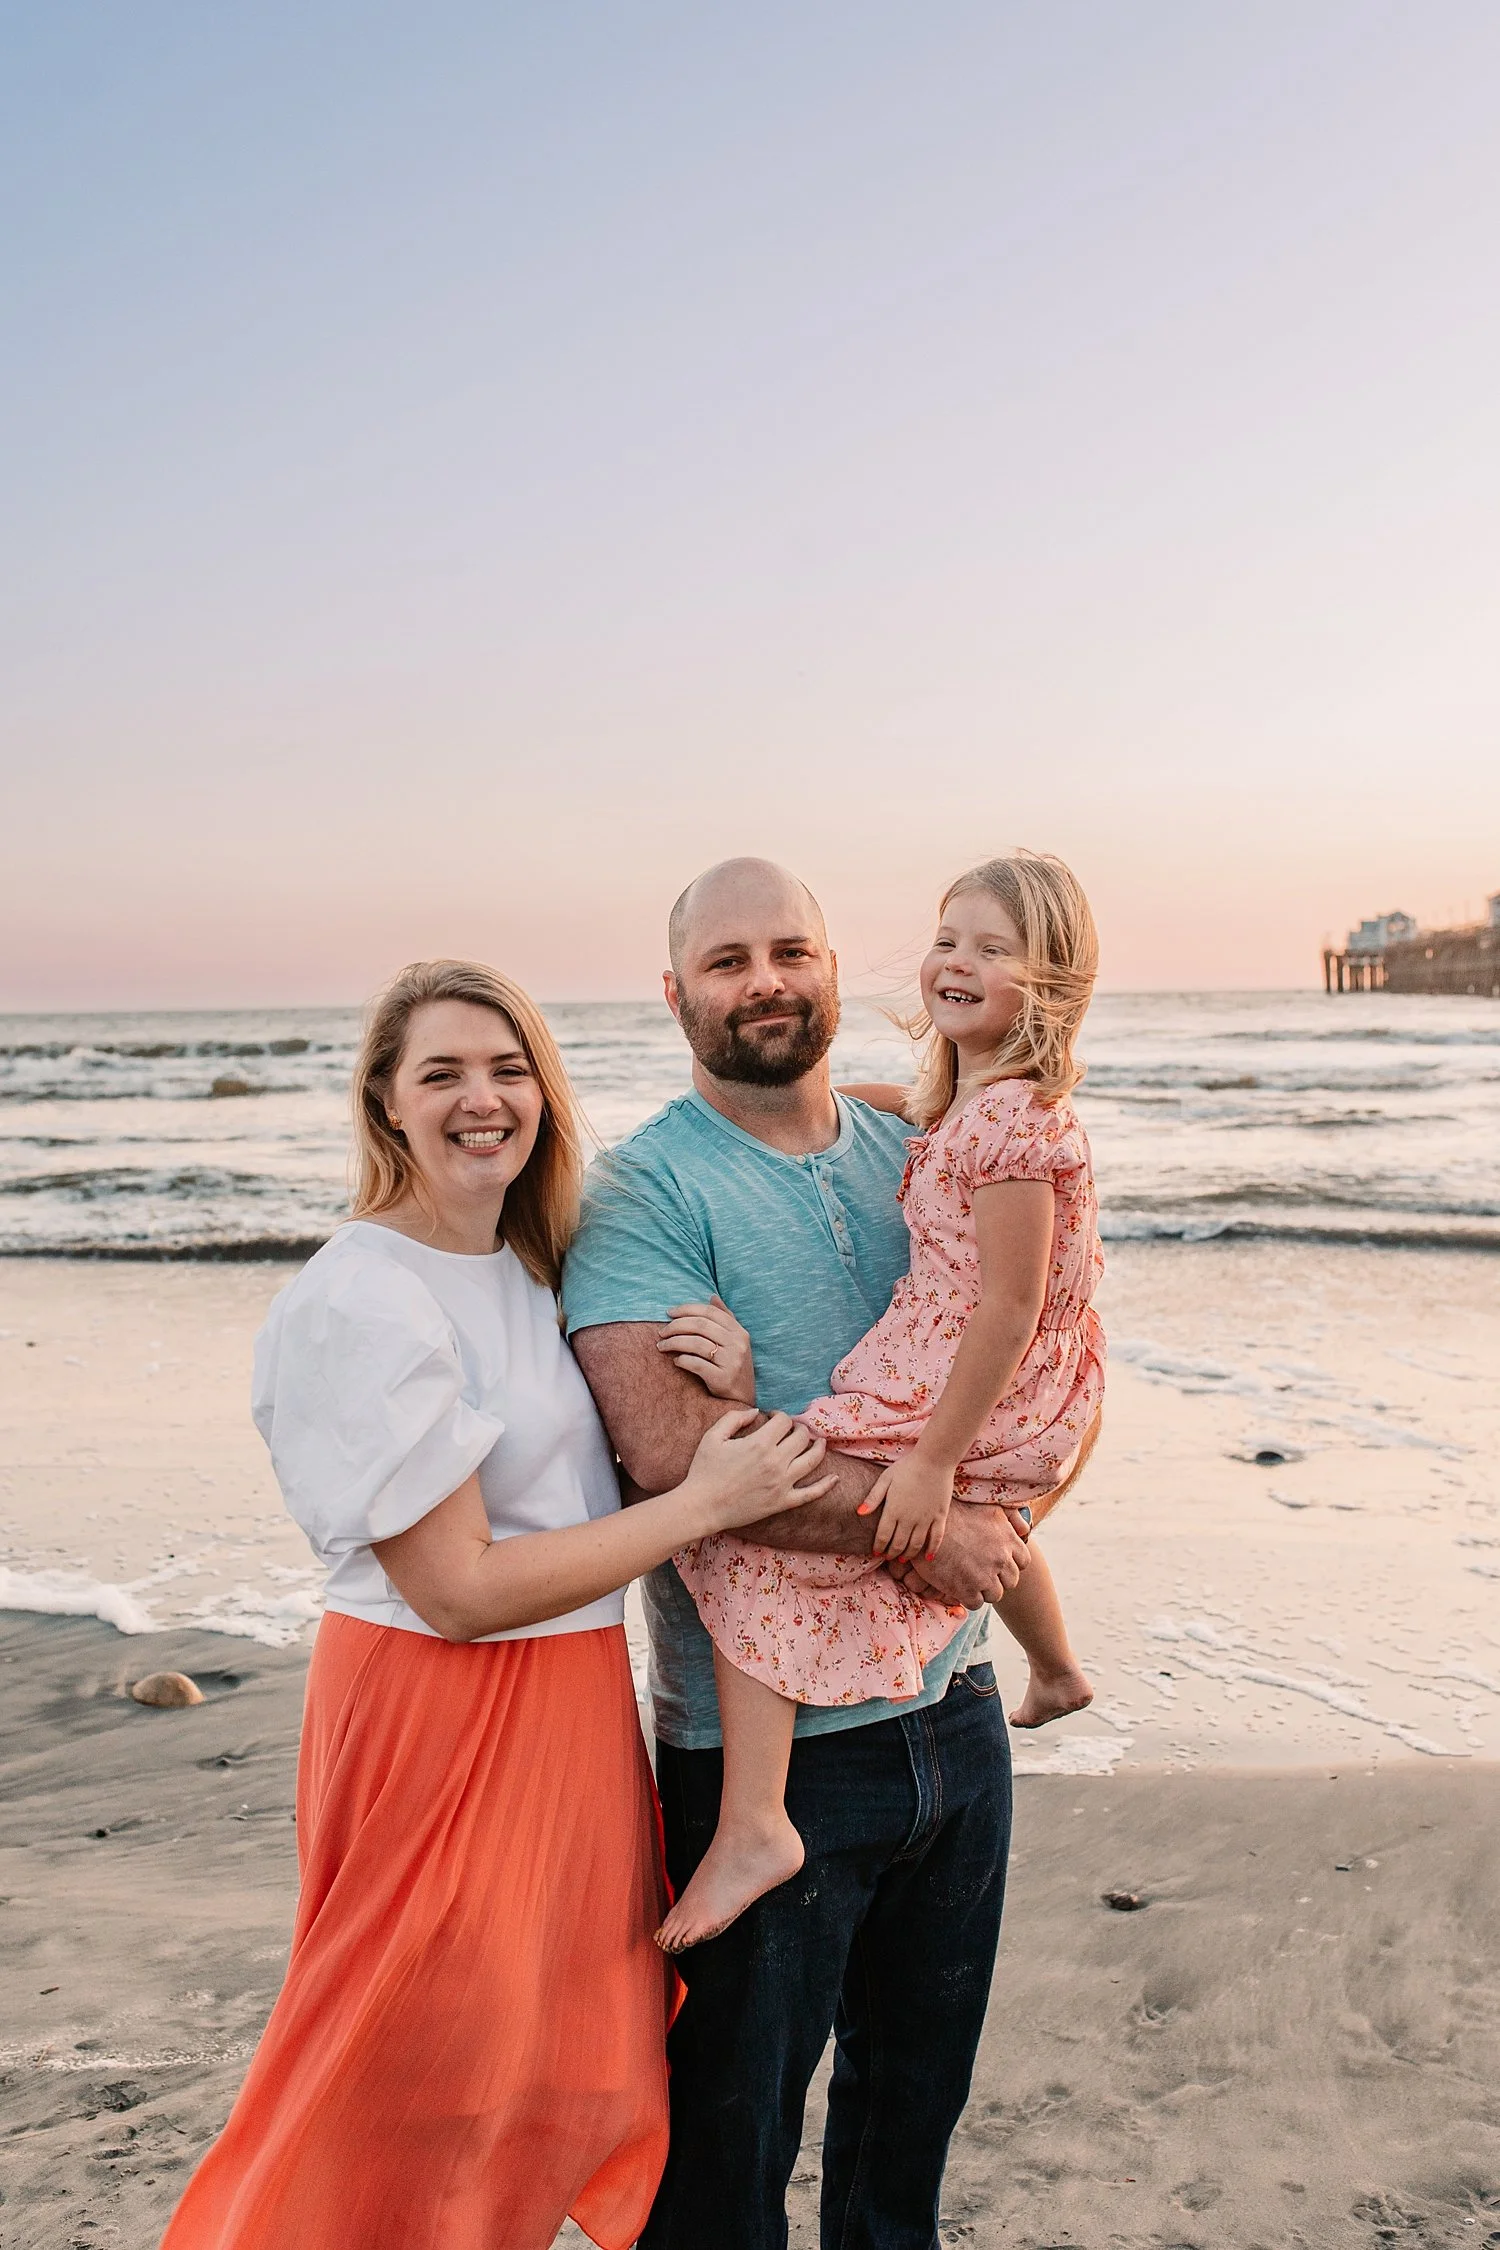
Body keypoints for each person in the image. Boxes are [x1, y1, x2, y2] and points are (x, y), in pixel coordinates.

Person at [159, 957, 832, 2250]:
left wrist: (727, 1374)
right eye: (443, 1073)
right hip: (437, 1713)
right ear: (386, 1103)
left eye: (509, 1067)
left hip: (575, 1718)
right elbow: (458, 1589)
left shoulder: (541, 1270)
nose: (484, 1098)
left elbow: (625, 1455)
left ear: (544, 1091)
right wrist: (706, 1505)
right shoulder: (364, 1294)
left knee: (555, 2072)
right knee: (406, 2072)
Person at [562, 861, 1033, 2250]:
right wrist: (933, 1523)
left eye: (790, 951)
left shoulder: (923, 1149)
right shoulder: (641, 1192)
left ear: (834, 970)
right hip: (763, 1754)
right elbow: (669, 1452)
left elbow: (1029, 1344)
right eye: (726, 961)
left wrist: (998, 1527)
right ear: (675, 994)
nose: (763, 980)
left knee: (905, 2146)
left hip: (957, 1716)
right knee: (726, 2169)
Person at [660, 851, 1104, 1951]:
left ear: (1047, 986)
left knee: (738, 1530)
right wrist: (858, 1105)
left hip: (963, 1384)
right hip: (990, 1392)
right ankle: (1056, 1667)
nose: (955, 962)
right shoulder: (962, 1107)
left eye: (992, 950)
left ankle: (757, 1823)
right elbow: (921, 1119)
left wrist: (933, 1463)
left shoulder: (1006, 1126)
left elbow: (1009, 1308)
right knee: (973, 1518)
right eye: (946, 940)